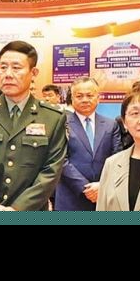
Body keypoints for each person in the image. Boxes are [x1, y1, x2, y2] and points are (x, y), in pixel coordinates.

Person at [0, 40, 69, 211]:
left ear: (33, 73)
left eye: (16, 68)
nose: (8, 74)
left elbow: (51, 170)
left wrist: (18, 208)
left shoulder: (52, 117)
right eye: (3, 67)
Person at [55, 77, 120, 211]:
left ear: (98, 98)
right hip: (70, 197)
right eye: (79, 96)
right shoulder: (60, 123)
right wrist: (86, 188)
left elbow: (118, 158)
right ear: (72, 98)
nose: (85, 100)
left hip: (103, 195)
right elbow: (60, 159)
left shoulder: (111, 125)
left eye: (89, 95)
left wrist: (102, 185)